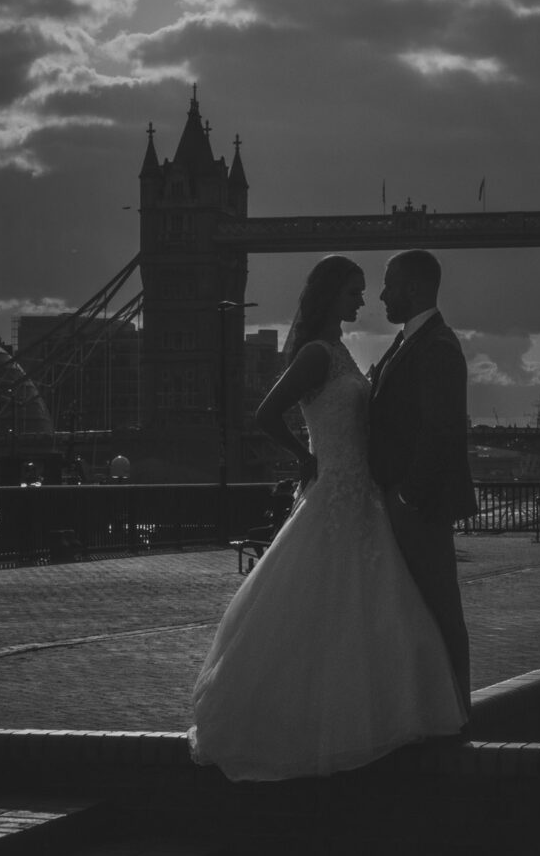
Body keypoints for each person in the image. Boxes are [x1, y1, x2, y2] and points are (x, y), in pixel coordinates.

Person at [188, 255, 466, 781]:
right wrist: (303, 456)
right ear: (330, 294)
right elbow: (267, 414)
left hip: (364, 495)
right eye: (353, 293)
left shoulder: (342, 350)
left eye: (368, 290)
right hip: (336, 492)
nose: (363, 300)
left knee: (371, 610)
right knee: (329, 610)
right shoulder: (318, 354)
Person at [366, 250, 475, 711]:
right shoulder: (408, 342)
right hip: (400, 502)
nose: (382, 294)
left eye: (389, 284)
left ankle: (459, 710)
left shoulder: (438, 346)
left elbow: (441, 428)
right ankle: (428, 706)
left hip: (419, 507)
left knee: (440, 608)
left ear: (412, 287)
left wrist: (408, 496)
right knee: (411, 611)